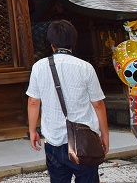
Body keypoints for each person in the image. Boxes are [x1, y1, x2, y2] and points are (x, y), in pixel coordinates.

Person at [26, 20, 109, 183]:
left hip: (54, 139)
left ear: (51, 43)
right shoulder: (85, 67)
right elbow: (98, 104)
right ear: (74, 41)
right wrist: (104, 134)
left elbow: (34, 102)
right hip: (84, 139)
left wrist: (32, 130)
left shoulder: (39, 67)